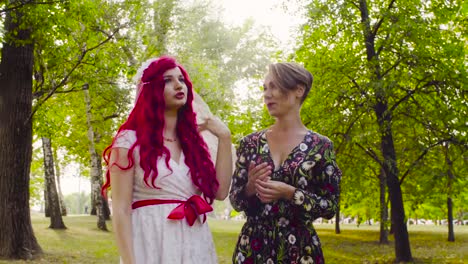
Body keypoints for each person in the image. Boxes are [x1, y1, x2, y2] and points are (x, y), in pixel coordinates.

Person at [101, 56, 232, 264]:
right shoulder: (129, 141)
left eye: (181, 79)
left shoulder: (194, 144)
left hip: (194, 241)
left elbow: (220, 192)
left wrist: (225, 138)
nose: (179, 85)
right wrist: (129, 261)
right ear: (152, 90)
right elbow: (121, 209)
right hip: (150, 240)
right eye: (167, 80)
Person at [229, 62, 342, 264]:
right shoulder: (250, 143)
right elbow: (236, 201)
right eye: (264, 88)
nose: (267, 94)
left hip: (300, 250)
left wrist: (290, 193)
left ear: (299, 89)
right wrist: (249, 188)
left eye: (274, 86)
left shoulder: (321, 146)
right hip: (253, 249)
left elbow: (330, 206)